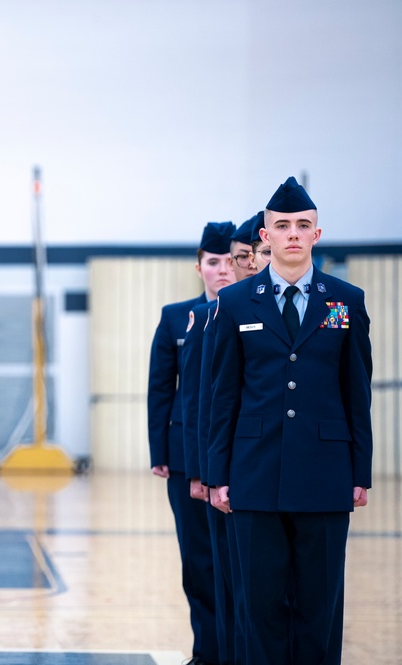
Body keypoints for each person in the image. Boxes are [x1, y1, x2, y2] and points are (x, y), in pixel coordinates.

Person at [206, 176, 373, 664]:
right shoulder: (237, 304)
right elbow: (223, 396)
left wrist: (359, 474)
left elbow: (356, 392)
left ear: (317, 235)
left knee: (319, 609)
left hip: (325, 475)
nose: (294, 234)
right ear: (265, 235)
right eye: (283, 226)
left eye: (304, 225)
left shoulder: (345, 300)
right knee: (260, 610)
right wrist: (217, 475)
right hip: (254, 475)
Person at [149, 220, 234, 665]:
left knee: (236, 563)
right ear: (198, 266)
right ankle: (207, 653)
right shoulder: (175, 317)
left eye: (228, 261)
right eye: (212, 262)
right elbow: (161, 388)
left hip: (236, 457)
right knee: (198, 561)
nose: (222, 271)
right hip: (185, 458)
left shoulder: (248, 313)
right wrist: (159, 452)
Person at [180, 212, 262, 665]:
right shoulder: (204, 317)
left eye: (251, 257)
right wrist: (202, 472)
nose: (237, 267)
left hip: (269, 463)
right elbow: (197, 401)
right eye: (238, 258)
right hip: (223, 465)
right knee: (218, 572)